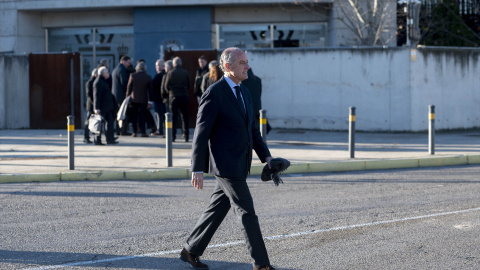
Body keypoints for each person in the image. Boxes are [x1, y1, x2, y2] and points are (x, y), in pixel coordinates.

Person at [180, 47, 277, 270]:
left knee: (217, 208)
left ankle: (190, 249)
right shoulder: (214, 93)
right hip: (226, 165)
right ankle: (261, 265)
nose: (247, 66)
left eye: (247, 61)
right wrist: (196, 168)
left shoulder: (244, 92)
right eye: (242, 63)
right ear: (228, 66)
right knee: (247, 212)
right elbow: (201, 133)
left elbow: (253, 130)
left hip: (241, 162)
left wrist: (267, 158)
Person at [164, 56, 190, 142]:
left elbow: (166, 86)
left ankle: (173, 136)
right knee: (185, 117)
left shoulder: (170, 73)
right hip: (183, 96)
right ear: (181, 64)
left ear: (173, 64)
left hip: (174, 96)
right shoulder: (185, 72)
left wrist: (171, 92)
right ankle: (186, 136)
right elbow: (189, 85)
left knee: (173, 118)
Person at [126, 62, 152, 137]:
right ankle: (143, 132)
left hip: (134, 99)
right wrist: (150, 100)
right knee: (142, 116)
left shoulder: (133, 76)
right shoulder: (148, 77)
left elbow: (129, 88)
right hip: (144, 99)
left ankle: (134, 132)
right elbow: (150, 90)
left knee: (134, 116)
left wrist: (127, 97)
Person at [93, 67, 118, 145]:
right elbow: (96, 96)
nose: (109, 74)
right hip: (102, 108)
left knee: (109, 123)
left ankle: (110, 139)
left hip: (107, 107)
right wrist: (96, 108)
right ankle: (97, 140)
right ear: (103, 74)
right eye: (107, 72)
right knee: (99, 125)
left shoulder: (104, 81)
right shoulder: (98, 82)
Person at [241, 68, 271, 133]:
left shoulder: (242, 81)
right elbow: (260, 92)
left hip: (247, 106)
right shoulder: (258, 79)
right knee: (257, 125)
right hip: (257, 106)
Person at [112, 55, 132, 135]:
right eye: (128, 63)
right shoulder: (122, 70)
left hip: (115, 96)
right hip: (121, 96)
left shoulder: (115, 69)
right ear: (123, 61)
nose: (129, 65)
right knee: (123, 113)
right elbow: (124, 82)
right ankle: (123, 130)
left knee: (118, 114)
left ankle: (118, 130)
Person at [151, 59, 166, 136]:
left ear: (161, 66)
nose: (156, 67)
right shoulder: (166, 74)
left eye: (157, 65)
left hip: (158, 98)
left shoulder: (159, 76)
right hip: (164, 98)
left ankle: (160, 130)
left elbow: (153, 86)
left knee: (159, 115)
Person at [83, 68, 97, 144]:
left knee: (91, 121)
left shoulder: (93, 81)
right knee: (88, 121)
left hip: (92, 104)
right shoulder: (90, 82)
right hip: (91, 105)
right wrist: (94, 104)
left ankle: (89, 136)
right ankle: (86, 136)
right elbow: (89, 95)